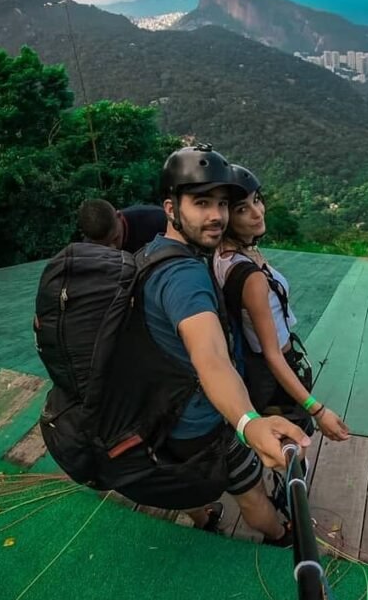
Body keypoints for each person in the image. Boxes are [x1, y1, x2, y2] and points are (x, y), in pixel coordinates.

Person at [118, 145, 309, 545]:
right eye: (202, 203)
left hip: (162, 413)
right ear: (171, 208)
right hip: (202, 420)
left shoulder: (153, 251)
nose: (216, 216)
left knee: (183, 471)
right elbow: (211, 359)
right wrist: (248, 423)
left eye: (222, 204)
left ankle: (204, 515)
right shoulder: (184, 279)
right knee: (251, 492)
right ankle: (280, 533)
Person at [214, 164, 350, 450]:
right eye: (242, 209)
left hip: (262, 368)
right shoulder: (250, 277)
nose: (257, 212)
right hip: (274, 374)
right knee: (295, 445)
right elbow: (273, 354)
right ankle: (289, 494)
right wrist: (318, 410)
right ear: (226, 217)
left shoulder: (226, 255)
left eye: (257, 200)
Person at [78, 199, 167, 253]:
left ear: (119, 216)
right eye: (105, 245)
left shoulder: (157, 219)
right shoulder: (87, 248)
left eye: (116, 239)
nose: (113, 248)